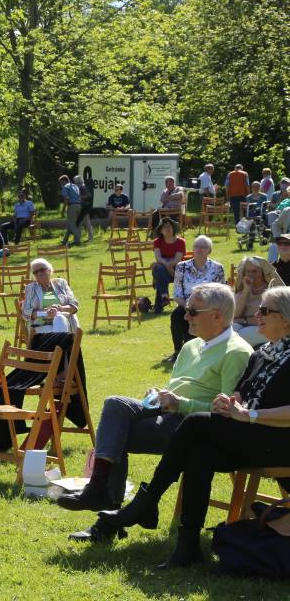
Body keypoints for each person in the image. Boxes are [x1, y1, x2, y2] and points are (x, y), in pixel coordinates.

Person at [93, 286, 290, 568]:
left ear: (285, 318)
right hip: (250, 435)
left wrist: (250, 415)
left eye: (264, 311)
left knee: (196, 423)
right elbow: (242, 394)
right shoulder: (264, 353)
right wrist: (230, 401)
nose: (255, 315)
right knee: (200, 453)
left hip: (279, 443)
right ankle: (188, 547)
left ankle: (148, 501)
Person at [60, 283, 253, 530]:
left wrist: (180, 402)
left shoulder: (236, 352)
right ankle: (104, 494)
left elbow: (226, 411)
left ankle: (108, 515)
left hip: (192, 426)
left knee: (116, 435)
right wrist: (160, 394)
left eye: (193, 311)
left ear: (217, 315)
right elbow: (178, 386)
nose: (185, 316)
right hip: (167, 412)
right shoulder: (191, 345)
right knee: (115, 405)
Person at [0, 258, 86, 452]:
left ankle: (59, 373)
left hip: (62, 328)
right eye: (36, 272)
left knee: (62, 320)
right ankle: (60, 374)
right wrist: (45, 314)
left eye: (42, 270)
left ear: (50, 269)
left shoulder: (61, 283)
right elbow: (26, 312)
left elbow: (74, 305)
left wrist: (58, 310)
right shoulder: (31, 289)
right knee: (59, 325)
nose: (39, 275)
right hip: (42, 333)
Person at [169, 236, 224, 359]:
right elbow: (177, 294)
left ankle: (196, 350)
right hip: (186, 304)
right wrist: (188, 306)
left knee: (199, 315)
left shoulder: (217, 268)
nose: (199, 249)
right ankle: (178, 352)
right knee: (177, 315)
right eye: (197, 246)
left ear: (209, 251)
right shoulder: (181, 267)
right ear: (192, 249)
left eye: (203, 247)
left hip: (208, 307)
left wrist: (205, 307)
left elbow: (220, 293)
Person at [233, 256, 284, 347]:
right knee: (229, 329)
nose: (251, 274)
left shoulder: (271, 291)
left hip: (268, 328)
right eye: (248, 271)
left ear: (262, 272)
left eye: (255, 271)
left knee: (242, 335)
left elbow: (267, 317)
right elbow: (235, 314)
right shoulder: (245, 288)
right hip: (246, 325)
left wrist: (244, 320)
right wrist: (246, 290)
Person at [151, 217, 185, 313]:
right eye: (165, 227)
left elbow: (177, 260)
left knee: (159, 274)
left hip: (176, 272)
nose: (168, 229)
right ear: (161, 230)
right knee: (159, 269)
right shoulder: (157, 242)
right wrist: (167, 265)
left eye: (170, 227)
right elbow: (158, 257)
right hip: (164, 270)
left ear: (173, 228)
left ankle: (160, 303)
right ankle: (164, 296)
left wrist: (168, 265)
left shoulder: (181, 242)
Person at [59, 174, 82, 247]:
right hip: (79, 205)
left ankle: (77, 240)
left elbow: (66, 199)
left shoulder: (65, 187)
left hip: (72, 206)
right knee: (71, 224)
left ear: (64, 181)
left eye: (61, 182)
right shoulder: (75, 186)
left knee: (72, 224)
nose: (61, 184)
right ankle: (64, 240)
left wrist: (63, 210)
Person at [75, 175, 95, 243]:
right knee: (82, 222)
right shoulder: (81, 187)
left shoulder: (82, 187)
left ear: (78, 181)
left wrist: (80, 197)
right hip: (83, 207)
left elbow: (89, 195)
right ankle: (80, 238)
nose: (74, 182)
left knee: (85, 223)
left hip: (84, 208)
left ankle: (89, 238)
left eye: (75, 181)